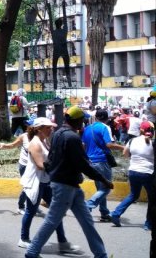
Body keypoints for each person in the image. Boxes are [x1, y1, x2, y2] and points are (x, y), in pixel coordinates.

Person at [25, 106, 114, 258]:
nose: (84, 122)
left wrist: (52, 172)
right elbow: (83, 165)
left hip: (70, 185)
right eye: (82, 119)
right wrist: (103, 179)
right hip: (65, 186)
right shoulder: (72, 138)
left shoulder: (58, 134)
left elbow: (52, 158)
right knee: (52, 220)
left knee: (87, 222)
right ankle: (32, 251)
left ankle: (100, 254)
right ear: (77, 120)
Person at [16, 118, 81, 254]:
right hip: (36, 182)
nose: (51, 129)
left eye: (51, 127)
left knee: (56, 212)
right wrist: (61, 169)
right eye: (48, 127)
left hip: (45, 182)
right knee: (31, 211)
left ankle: (63, 243)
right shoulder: (34, 143)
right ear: (39, 129)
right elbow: (40, 165)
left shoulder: (44, 141)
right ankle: (23, 238)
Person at [110, 121, 154, 229]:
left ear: (141, 130)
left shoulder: (132, 140)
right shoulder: (153, 142)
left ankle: (116, 213)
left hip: (133, 172)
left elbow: (125, 154)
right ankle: (148, 224)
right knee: (152, 199)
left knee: (133, 195)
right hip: (148, 173)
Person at [82, 109, 124, 222]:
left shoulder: (87, 128)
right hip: (102, 161)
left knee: (100, 188)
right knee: (106, 188)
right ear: (107, 118)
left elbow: (83, 146)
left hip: (90, 162)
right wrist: (123, 148)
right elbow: (109, 144)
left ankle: (104, 213)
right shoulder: (104, 127)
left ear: (96, 117)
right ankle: (88, 205)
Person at [0, 129, 34, 215]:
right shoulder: (24, 136)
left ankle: (33, 206)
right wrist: (4, 146)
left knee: (35, 186)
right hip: (25, 165)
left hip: (35, 165)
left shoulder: (41, 136)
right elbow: (12, 145)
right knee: (27, 186)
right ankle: (21, 206)